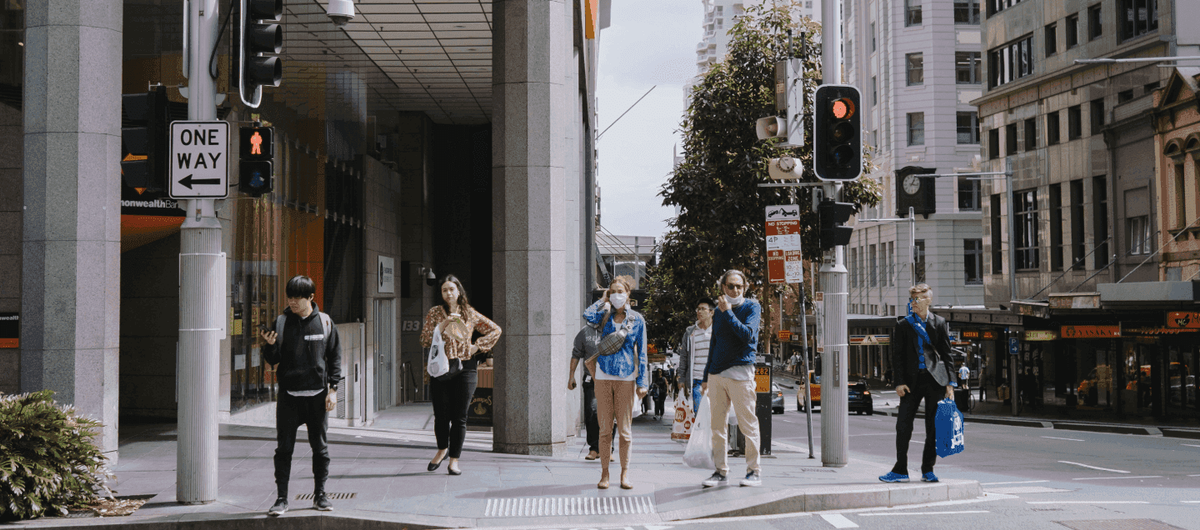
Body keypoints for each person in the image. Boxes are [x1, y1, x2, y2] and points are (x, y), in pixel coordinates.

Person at [260, 275, 343, 516]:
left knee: (320, 449)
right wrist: (269, 346)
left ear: (311, 297)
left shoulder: (325, 323)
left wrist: (333, 390)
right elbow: (273, 359)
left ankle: (320, 495)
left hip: (317, 397)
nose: (292, 302)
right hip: (289, 397)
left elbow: (335, 357)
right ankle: (281, 499)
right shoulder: (282, 322)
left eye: (297, 297)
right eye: (290, 297)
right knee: (284, 449)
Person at [419, 275, 502, 476]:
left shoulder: (469, 313)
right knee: (441, 414)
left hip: (465, 368)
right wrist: (443, 324)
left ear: (459, 291)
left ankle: (454, 460)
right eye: (444, 290)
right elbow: (424, 340)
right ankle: (442, 449)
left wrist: (476, 347)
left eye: (451, 289)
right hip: (441, 367)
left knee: (460, 416)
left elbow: (495, 330)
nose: (448, 293)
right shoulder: (435, 313)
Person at [880, 283, 957, 484]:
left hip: (935, 381)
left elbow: (947, 354)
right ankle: (900, 470)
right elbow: (897, 357)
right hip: (910, 383)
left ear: (928, 300)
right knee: (903, 425)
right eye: (912, 299)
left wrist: (950, 384)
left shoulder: (939, 323)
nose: (913, 303)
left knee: (933, 427)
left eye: (917, 299)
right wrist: (899, 382)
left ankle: (928, 470)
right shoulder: (903, 325)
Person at [583, 275, 649, 490]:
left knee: (625, 431)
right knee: (604, 429)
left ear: (628, 294)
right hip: (603, 375)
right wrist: (603, 300)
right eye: (613, 292)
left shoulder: (637, 320)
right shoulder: (604, 315)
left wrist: (642, 382)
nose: (616, 295)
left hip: (626, 377)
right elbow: (587, 315)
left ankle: (624, 474)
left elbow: (643, 352)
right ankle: (604, 474)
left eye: (620, 291)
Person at [699, 270, 763, 488]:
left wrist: (728, 312)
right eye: (730, 286)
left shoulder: (752, 307)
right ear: (723, 288)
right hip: (717, 375)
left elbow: (747, 335)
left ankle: (753, 471)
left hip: (741, 374)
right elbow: (714, 343)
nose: (735, 290)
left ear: (745, 287)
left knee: (748, 425)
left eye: (739, 286)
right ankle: (720, 471)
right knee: (717, 427)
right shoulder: (717, 312)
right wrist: (706, 376)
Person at [568, 326, 616, 461]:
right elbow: (576, 354)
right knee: (592, 412)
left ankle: (608, 448)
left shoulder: (616, 329)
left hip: (612, 379)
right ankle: (594, 448)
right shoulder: (585, 332)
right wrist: (571, 376)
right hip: (591, 380)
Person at [678, 298, 715, 414]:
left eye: (703, 309)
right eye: (698, 309)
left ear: (711, 312)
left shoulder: (718, 331)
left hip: (715, 381)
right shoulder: (690, 332)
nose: (699, 312)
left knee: (715, 416)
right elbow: (684, 356)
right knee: (699, 415)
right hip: (697, 381)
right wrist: (681, 378)